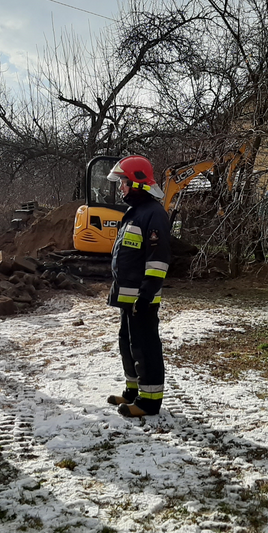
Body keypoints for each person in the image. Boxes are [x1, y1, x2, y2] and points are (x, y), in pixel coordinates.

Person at [105, 155, 171, 418]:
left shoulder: (154, 214)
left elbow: (158, 261)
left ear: (138, 183)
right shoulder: (134, 213)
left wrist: (145, 295)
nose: (120, 188)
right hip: (128, 297)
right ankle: (133, 391)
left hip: (142, 298)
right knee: (128, 344)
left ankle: (149, 401)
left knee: (145, 347)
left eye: (123, 183)